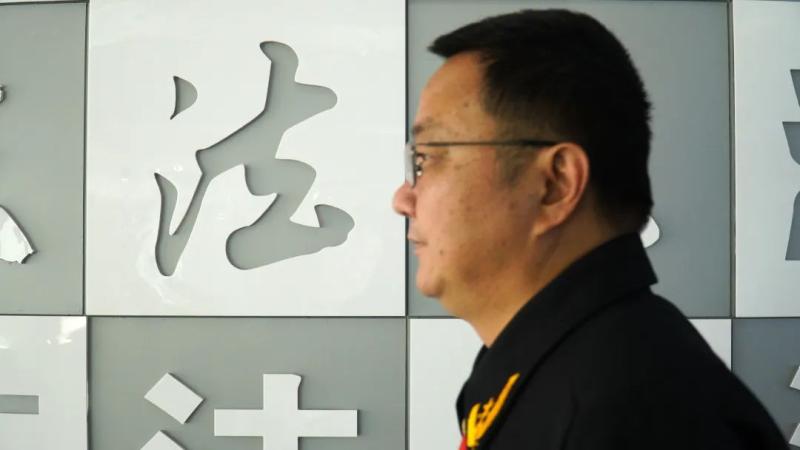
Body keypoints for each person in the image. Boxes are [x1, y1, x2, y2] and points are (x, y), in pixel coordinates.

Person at [392, 9, 788, 450]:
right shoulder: (557, 361)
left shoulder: (626, 414)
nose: (402, 199)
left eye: (427, 159)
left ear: (554, 184)